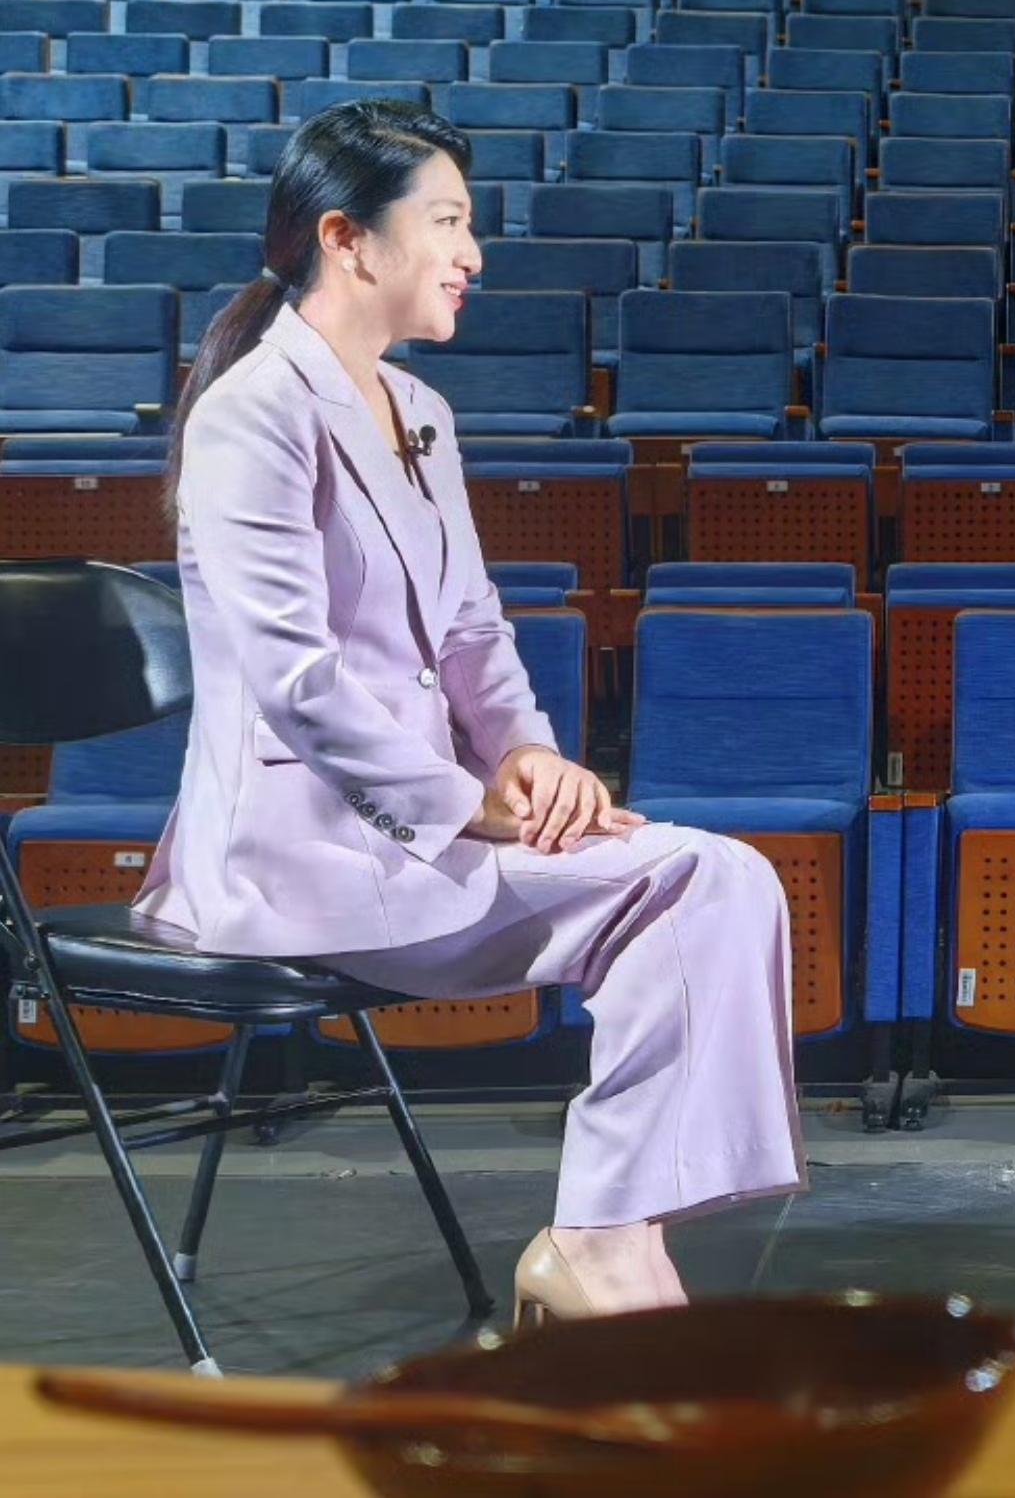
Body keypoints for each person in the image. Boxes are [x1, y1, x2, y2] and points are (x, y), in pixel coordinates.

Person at [135, 100, 806, 1326]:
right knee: (692, 879)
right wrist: (468, 807)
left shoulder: (422, 411)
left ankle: (606, 1234)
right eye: (446, 221)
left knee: (725, 879)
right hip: (296, 859)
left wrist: (531, 756)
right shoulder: (253, 411)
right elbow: (295, 678)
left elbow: (471, 631)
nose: (473, 253)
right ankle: (607, 1250)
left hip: (422, 837)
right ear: (348, 238)